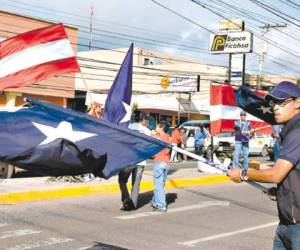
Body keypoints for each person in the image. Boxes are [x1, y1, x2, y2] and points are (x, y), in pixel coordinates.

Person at [228, 81, 300, 249]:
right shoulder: (290, 129)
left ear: (298, 103)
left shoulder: (297, 133)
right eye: (273, 103)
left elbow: (276, 174)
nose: (275, 107)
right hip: (286, 223)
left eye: (282, 102)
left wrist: (243, 174)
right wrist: (282, 192)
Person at [118, 112, 151, 211]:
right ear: (143, 120)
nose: (148, 123)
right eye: (147, 120)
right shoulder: (147, 131)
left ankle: (125, 202)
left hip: (129, 160)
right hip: (141, 161)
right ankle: (133, 205)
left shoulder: (129, 127)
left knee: (122, 180)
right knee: (136, 184)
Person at [151, 121, 171, 212]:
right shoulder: (168, 137)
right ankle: (155, 202)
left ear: (161, 128)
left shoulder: (158, 138)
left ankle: (161, 205)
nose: (155, 128)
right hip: (166, 162)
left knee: (158, 185)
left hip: (159, 161)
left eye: (157, 126)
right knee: (160, 184)